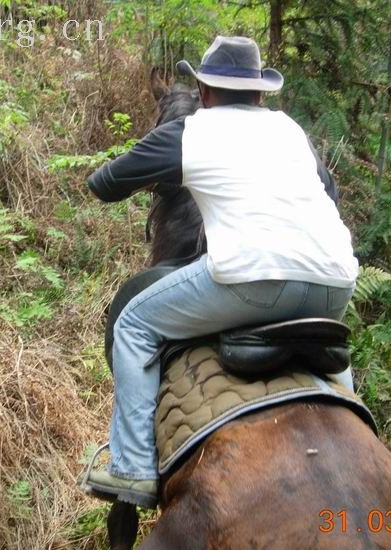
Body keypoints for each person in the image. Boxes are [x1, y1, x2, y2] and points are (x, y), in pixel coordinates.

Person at [83, 36, 359, 508]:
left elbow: (103, 185)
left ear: (205, 92)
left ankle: (130, 469)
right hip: (335, 286)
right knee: (331, 353)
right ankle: (353, 432)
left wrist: (172, 166)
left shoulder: (192, 131)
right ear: (259, 94)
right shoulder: (291, 131)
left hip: (253, 282)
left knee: (133, 324)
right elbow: (328, 198)